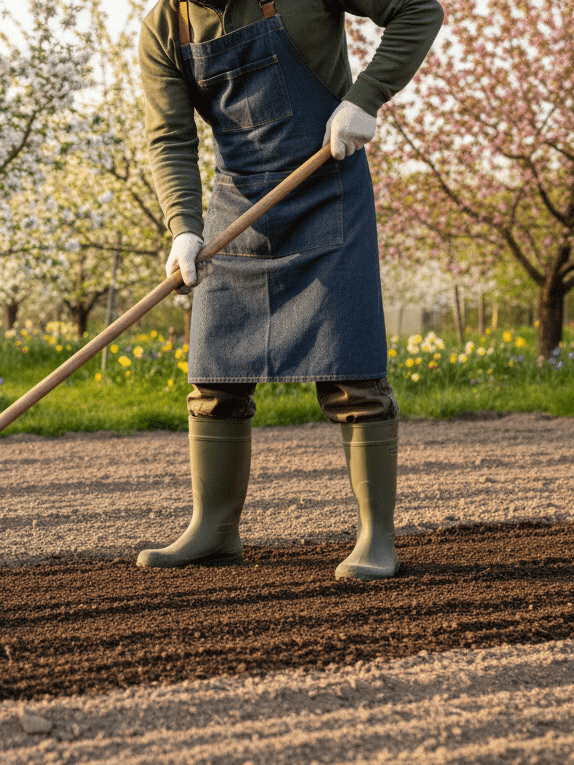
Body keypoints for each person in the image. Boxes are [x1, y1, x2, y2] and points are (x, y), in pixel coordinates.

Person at [137, 0, 443, 578]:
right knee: (215, 376)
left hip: (328, 189)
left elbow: (418, 11)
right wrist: (183, 229)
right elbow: (169, 138)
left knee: (353, 376)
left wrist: (364, 98)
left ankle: (376, 539)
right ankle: (213, 529)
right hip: (238, 207)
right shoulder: (164, 28)